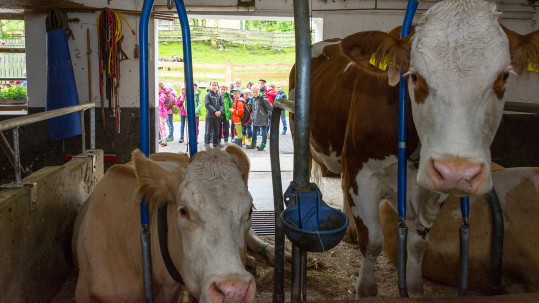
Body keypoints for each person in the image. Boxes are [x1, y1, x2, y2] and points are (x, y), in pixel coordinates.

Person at [247, 84, 272, 151]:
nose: (255, 93)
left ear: (259, 91)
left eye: (256, 92)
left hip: (262, 117)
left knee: (263, 130)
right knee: (254, 131)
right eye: (253, 92)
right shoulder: (253, 99)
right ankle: (253, 143)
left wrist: (269, 114)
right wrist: (252, 115)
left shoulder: (263, 98)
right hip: (255, 117)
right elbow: (253, 108)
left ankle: (263, 144)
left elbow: (270, 107)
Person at [204, 81, 224, 148]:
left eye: (215, 85)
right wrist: (215, 111)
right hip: (210, 116)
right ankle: (207, 143)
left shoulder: (219, 95)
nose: (214, 86)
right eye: (213, 85)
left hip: (217, 116)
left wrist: (220, 111)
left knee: (217, 130)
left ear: (218, 87)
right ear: (210, 86)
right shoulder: (208, 95)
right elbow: (207, 104)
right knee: (208, 130)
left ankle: (216, 143)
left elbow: (222, 104)